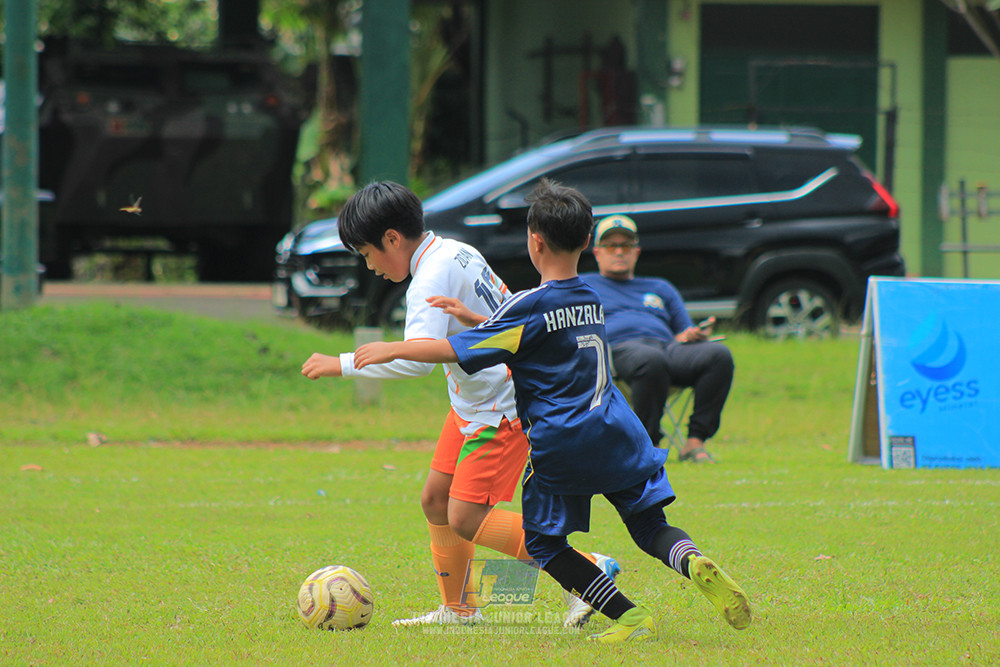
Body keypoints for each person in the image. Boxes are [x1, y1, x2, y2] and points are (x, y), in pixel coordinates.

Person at [352, 179, 751, 644]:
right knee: (648, 526)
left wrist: (386, 350)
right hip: (620, 432)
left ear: (533, 241)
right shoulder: (592, 299)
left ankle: (628, 615)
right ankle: (690, 559)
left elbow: (461, 348)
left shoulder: (525, 306)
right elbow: (534, 332)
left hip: (564, 442)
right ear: (587, 242)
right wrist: (480, 319)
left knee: (543, 543)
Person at [300, 181, 618, 628]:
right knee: (435, 500)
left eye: (367, 253)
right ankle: (460, 609)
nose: (369, 265)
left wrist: (344, 364)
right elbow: (504, 314)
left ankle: (590, 567)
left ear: (392, 239)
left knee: (465, 517)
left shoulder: (428, 278)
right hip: (472, 403)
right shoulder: (455, 250)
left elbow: (416, 362)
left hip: (499, 408)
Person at [581, 214, 734, 463]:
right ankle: (647, 445)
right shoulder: (585, 285)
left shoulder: (660, 287)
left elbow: (683, 330)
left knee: (718, 355)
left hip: (668, 348)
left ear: (637, 252)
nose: (619, 251)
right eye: (611, 246)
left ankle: (695, 443)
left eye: (626, 246)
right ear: (597, 252)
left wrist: (692, 335)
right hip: (617, 351)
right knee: (650, 360)